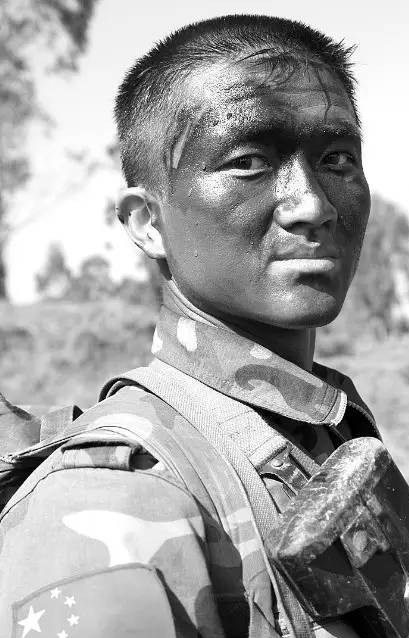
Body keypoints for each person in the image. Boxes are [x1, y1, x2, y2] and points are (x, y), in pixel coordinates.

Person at [1, 14, 380, 638]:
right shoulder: (111, 500)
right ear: (146, 223)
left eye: (336, 158)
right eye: (248, 161)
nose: (312, 204)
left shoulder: (319, 430)